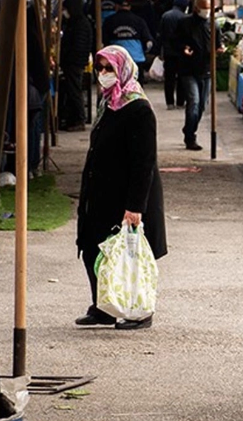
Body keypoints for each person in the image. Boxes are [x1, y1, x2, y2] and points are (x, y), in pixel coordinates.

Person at [76, 45, 167, 330]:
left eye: (109, 69)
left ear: (123, 71)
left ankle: (138, 311)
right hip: (102, 192)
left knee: (129, 256)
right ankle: (103, 306)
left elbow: (144, 162)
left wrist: (135, 207)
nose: (103, 75)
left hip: (127, 195)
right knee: (95, 249)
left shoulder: (137, 107)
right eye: (100, 68)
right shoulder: (108, 103)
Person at [175, 0, 223, 150]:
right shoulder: (184, 23)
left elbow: (218, 44)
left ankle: (189, 128)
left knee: (202, 105)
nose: (207, 11)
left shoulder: (213, 25)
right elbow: (175, 41)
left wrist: (220, 49)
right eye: (204, 8)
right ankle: (190, 137)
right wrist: (184, 48)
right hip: (188, 70)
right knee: (194, 102)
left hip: (206, 70)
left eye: (209, 8)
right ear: (196, 8)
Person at [60, 0, 93, 131]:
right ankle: (72, 118)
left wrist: (67, 56)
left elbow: (78, 45)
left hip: (74, 62)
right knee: (72, 90)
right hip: (75, 61)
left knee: (74, 90)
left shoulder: (80, 24)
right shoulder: (77, 22)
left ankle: (79, 119)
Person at [102, 0, 153, 80]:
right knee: (137, 85)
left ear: (117, 6)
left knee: (118, 84)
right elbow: (148, 41)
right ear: (129, 7)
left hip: (117, 58)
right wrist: (145, 51)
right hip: (136, 58)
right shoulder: (139, 20)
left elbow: (104, 40)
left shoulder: (109, 21)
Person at [159, 0, 188, 110]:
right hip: (182, 53)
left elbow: (160, 34)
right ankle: (180, 102)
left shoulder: (165, 16)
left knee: (169, 78)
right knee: (181, 78)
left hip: (168, 52)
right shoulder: (185, 18)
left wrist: (160, 51)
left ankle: (170, 102)